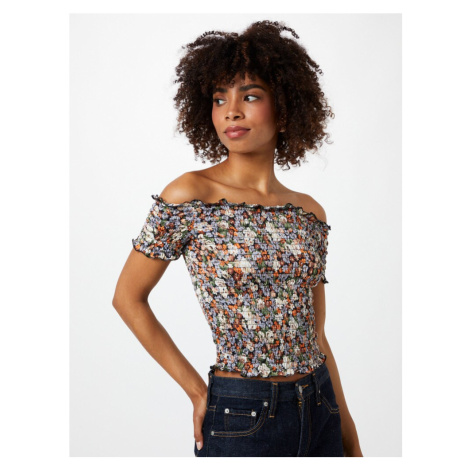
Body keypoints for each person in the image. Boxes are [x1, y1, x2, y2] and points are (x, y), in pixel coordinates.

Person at [112, 20, 363, 457]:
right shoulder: (190, 195)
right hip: (244, 415)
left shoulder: (309, 213)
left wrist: (349, 436)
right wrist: (197, 391)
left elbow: (317, 336)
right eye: (219, 99)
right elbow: (127, 298)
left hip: (321, 405)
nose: (231, 111)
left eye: (250, 96)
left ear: (284, 106)